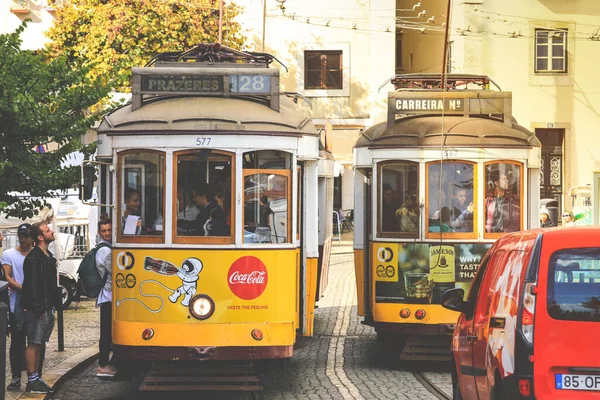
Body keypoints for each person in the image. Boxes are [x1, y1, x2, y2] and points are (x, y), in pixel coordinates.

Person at [22, 222, 57, 394]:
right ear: (41, 237)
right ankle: (32, 380)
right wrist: (39, 309)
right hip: (38, 309)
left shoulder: (47, 257)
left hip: (46, 307)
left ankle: (36, 377)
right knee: (34, 343)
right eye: (48, 230)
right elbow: (32, 285)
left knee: (39, 343)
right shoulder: (34, 258)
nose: (52, 231)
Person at [1, 223, 33, 391]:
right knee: (17, 342)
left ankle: (33, 377)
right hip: (17, 303)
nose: (23, 239)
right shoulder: (9, 254)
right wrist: (24, 290)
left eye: (26, 236)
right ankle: (15, 378)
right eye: (21, 235)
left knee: (34, 342)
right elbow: (7, 276)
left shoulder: (36, 255)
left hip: (34, 303)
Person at [95, 219, 118, 378]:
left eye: (109, 230)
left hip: (109, 294)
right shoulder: (105, 250)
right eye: (104, 231)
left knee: (109, 330)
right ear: (99, 233)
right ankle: (103, 365)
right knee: (106, 332)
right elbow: (114, 271)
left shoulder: (108, 248)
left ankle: (107, 363)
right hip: (108, 295)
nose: (107, 233)